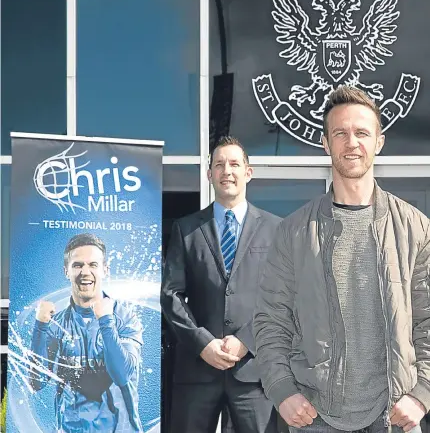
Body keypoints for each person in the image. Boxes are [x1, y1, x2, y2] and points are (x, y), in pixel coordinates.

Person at [254, 86, 430, 433]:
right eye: (341, 133)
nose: (352, 143)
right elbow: (271, 323)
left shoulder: (416, 229)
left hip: (393, 416)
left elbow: (428, 324)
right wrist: (282, 390)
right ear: (325, 143)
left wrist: (422, 393)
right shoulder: (293, 233)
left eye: (362, 132)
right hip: (315, 418)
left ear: (379, 142)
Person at [161, 136, 281, 433]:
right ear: (209, 174)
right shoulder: (186, 229)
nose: (227, 170)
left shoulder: (276, 229)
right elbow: (170, 295)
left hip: (253, 373)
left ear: (248, 172)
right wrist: (203, 343)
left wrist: (246, 342)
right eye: (219, 164)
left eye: (234, 164)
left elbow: (283, 297)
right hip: (198, 370)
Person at [29, 233, 144, 433]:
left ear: (105, 270)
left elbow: (122, 375)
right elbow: (37, 382)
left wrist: (106, 321)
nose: (85, 272)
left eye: (93, 265)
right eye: (77, 265)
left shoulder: (125, 318)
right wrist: (40, 327)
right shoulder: (55, 323)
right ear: (66, 271)